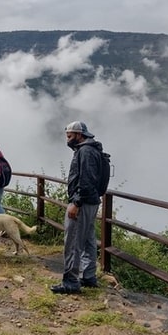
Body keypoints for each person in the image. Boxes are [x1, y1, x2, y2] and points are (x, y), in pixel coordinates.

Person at [51, 121, 103, 294]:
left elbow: (86, 179)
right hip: (91, 201)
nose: (68, 140)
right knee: (88, 239)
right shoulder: (90, 149)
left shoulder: (86, 151)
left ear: (80, 135)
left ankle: (71, 282)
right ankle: (89, 276)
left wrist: (76, 203)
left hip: (83, 202)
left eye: (70, 136)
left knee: (73, 241)